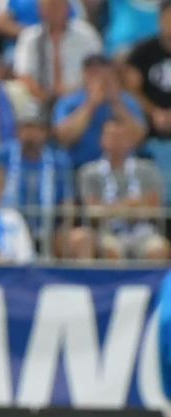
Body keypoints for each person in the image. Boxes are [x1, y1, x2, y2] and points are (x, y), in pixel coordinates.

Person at [77, 118, 167, 260]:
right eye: (111, 136)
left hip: (143, 231)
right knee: (110, 250)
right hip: (107, 230)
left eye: (121, 137)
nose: (116, 142)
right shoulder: (89, 172)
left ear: (131, 141)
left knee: (158, 249)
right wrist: (130, 206)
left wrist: (111, 209)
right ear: (102, 140)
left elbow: (154, 207)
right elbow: (93, 211)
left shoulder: (148, 169)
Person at [0, 104, 73, 239]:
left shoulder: (59, 161)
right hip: (6, 230)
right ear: (17, 131)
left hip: (48, 232)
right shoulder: (2, 156)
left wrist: (64, 230)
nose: (30, 134)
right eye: (26, 127)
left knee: (78, 238)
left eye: (36, 128)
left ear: (46, 133)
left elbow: (67, 202)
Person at [53, 54, 147, 169]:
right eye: (92, 73)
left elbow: (138, 138)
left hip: (121, 168)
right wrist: (91, 104)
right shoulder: (69, 102)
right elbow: (65, 138)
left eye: (102, 72)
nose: (98, 78)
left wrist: (116, 102)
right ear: (84, 75)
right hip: (79, 166)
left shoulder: (127, 101)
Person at [13, 0, 102, 107]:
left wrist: (71, 94)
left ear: (68, 8)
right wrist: (45, 98)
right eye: (50, 7)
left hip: (80, 99)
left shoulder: (86, 34)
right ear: (40, 10)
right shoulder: (29, 38)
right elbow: (23, 75)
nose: (54, 11)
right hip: (39, 101)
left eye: (58, 6)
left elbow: (99, 69)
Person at [124, 1, 171, 139]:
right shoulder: (142, 53)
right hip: (149, 127)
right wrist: (154, 112)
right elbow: (131, 89)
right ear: (160, 20)